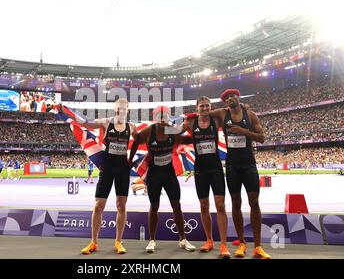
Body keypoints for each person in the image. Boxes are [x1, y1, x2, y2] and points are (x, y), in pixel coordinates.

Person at [60, 98, 138, 255]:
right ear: (114, 109)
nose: (120, 111)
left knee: (121, 206)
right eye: (118, 108)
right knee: (98, 206)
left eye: (123, 108)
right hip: (107, 167)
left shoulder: (131, 127)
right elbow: (86, 123)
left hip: (123, 168)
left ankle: (118, 242)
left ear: (127, 110)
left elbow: (141, 142)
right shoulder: (106, 122)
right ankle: (93, 242)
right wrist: (66, 111)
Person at [209, 89, 271, 259]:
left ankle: (258, 246)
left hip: (248, 164)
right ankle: (242, 243)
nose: (230, 99)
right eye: (226, 98)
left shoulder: (250, 115)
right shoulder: (222, 114)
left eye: (232, 96)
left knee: (254, 202)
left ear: (238, 97)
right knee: (235, 203)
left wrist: (243, 131)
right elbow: (205, 111)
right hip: (232, 166)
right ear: (225, 102)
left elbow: (262, 138)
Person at [129, 105, 196, 253]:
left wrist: (198, 135)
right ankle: (152, 240)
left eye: (165, 115)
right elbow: (136, 141)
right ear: (155, 118)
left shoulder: (171, 130)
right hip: (154, 173)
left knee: (176, 205)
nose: (162, 118)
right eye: (159, 115)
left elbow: (184, 140)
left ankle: (183, 239)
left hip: (168, 173)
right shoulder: (149, 131)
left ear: (168, 117)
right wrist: (129, 159)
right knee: (154, 206)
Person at [180, 96, 231, 258]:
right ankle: (209, 240)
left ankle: (223, 244)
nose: (205, 109)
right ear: (197, 108)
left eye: (207, 106)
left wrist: (244, 107)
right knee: (204, 206)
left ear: (211, 107)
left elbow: (229, 112)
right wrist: (159, 126)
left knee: (220, 205)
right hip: (200, 169)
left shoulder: (216, 121)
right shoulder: (190, 123)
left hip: (215, 167)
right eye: (202, 106)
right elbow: (172, 132)